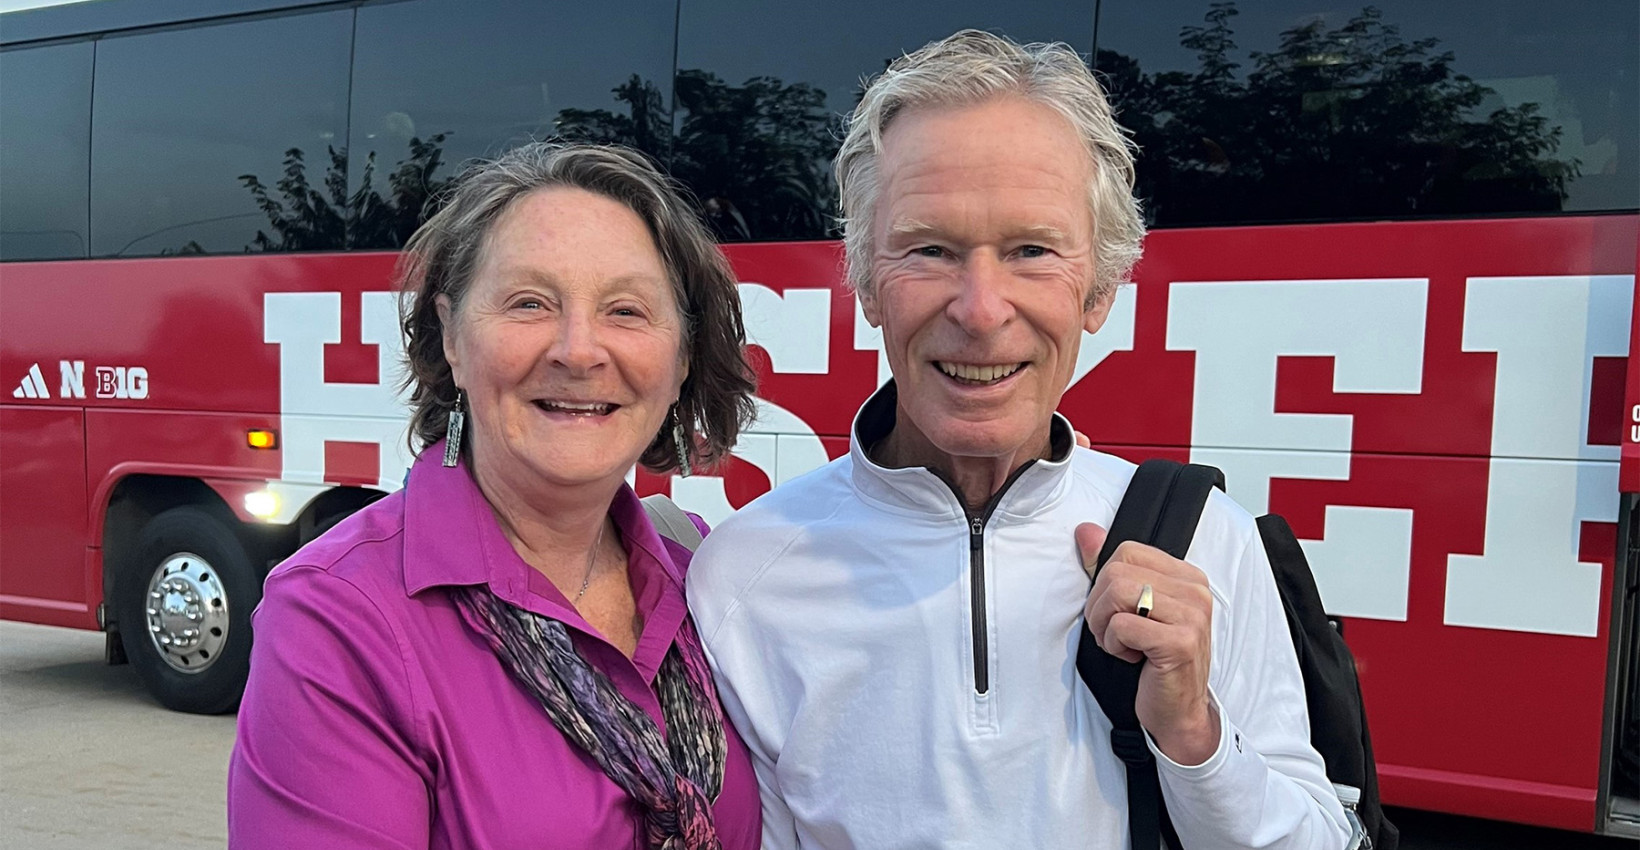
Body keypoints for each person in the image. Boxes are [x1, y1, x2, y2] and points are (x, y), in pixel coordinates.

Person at [686, 30, 1353, 850]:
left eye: (1032, 250)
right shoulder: (745, 573)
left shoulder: (1208, 538)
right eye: (929, 249)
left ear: (1099, 289)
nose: (980, 308)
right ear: (865, 283)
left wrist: (1194, 738)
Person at [228, 142, 761, 849]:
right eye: (529, 303)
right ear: (450, 334)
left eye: (627, 311)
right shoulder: (337, 620)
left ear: (683, 358)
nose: (578, 350)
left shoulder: (708, 574)